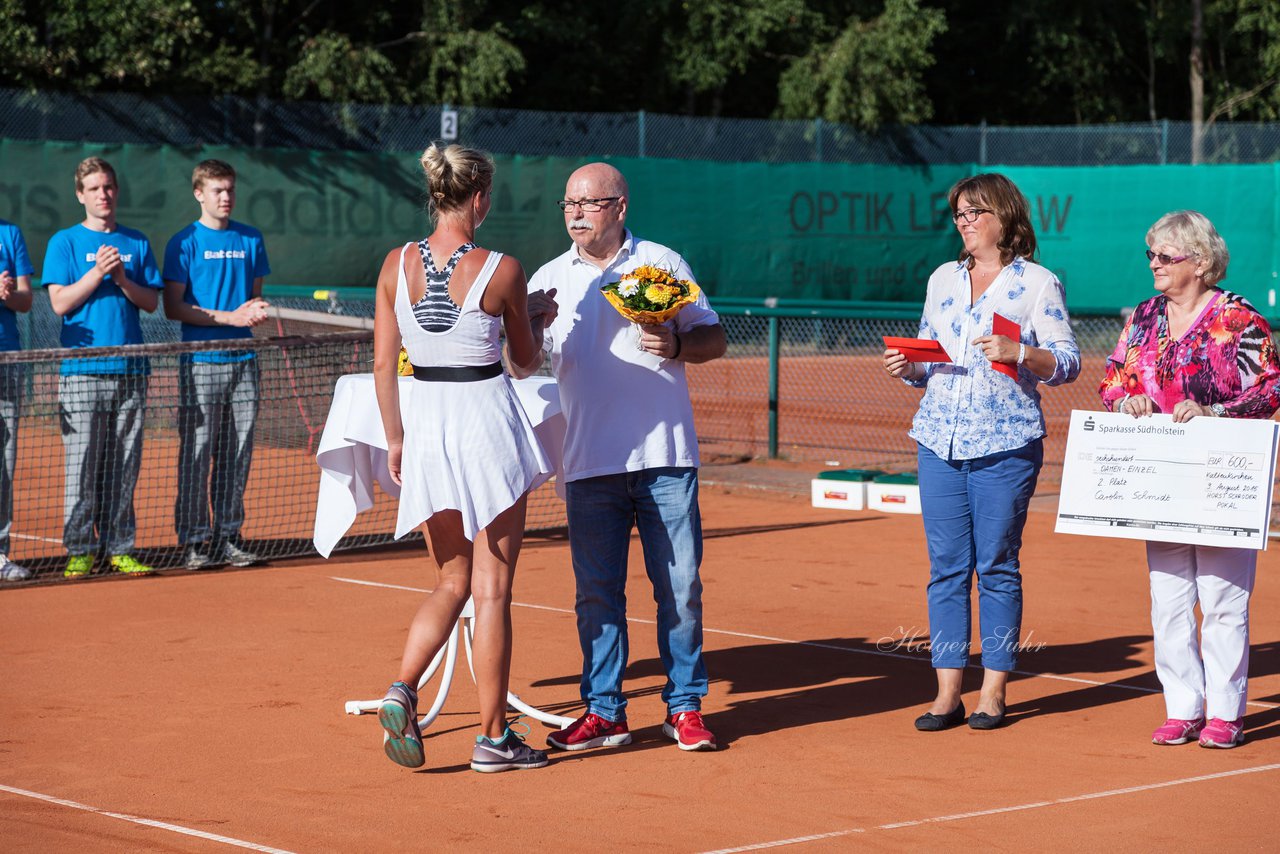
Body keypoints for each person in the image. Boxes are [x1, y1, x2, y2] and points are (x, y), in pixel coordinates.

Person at [514, 162, 728, 752]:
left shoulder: (661, 264)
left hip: (666, 460)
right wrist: (528, 328)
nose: (576, 214)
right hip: (589, 464)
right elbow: (520, 366)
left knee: (679, 588)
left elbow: (714, 337)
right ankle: (604, 712)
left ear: (620, 207)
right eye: (568, 204)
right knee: (596, 594)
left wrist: (679, 342)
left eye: (589, 203)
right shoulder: (549, 278)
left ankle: (684, 707)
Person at [371, 143, 552, 773]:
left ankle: (402, 688)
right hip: (485, 424)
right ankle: (494, 739)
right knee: (493, 589)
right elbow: (524, 362)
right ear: (479, 198)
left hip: (426, 427)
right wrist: (532, 316)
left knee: (451, 579)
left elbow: (381, 364)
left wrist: (395, 438)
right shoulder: (503, 268)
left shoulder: (395, 264)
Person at [883, 172, 1080, 732]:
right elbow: (928, 358)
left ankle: (993, 691)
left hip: (1006, 443)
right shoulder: (942, 278)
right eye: (959, 215)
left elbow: (1067, 362)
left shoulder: (1038, 284)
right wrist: (910, 366)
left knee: (995, 565)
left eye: (974, 213)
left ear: (1003, 218)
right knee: (946, 569)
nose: (963, 223)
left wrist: (1022, 351)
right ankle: (948, 693)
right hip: (938, 438)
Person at [1099, 210, 1280, 749]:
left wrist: (1214, 414)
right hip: (1160, 475)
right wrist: (1125, 397)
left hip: (1222, 472)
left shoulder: (1239, 317)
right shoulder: (1147, 315)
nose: (1153, 264)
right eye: (1150, 254)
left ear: (1200, 263)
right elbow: (1113, 378)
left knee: (1223, 598)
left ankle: (1226, 712)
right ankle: (1183, 708)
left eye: (1165, 256)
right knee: (1169, 597)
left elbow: (1270, 389)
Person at [42, 157, 164, 578]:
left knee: (125, 466)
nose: (103, 195)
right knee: (81, 466)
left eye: (108, 187)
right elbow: (59, 303)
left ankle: (119, 546)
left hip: (131, 371)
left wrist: (123, 278)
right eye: (94, 188)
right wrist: (98, 272)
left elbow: (150, 302)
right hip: (81, 373)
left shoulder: (137, 241)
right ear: (80, 195)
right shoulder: (64, 243)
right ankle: (80, 547)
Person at [163, 159, 271, 570]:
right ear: (199, 194)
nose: (225, 198)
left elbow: (253, 300)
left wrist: (253, 313)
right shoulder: (183, 242)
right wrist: (230, 318)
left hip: (244, 362)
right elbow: (174, 307)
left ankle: (228, 535)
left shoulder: (251, 239)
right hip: (200, 364)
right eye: (216, 191)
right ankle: (193, 539)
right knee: (197, 452)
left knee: (237, 453)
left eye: (229, 190)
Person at [0, 217, 35, 581]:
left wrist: (9, 295)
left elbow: (26, 301)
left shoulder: (9, 233)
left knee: (3, 465)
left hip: (7, 358)